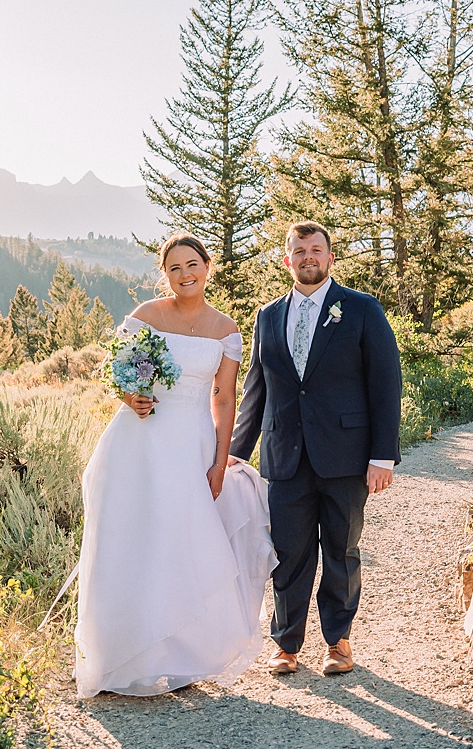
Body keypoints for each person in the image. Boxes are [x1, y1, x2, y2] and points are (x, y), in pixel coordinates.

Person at [73, 233, 276, 697]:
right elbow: (116, 373)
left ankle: (183, 655)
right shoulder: (146, 316)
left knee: (182, 541)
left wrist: (220, 462)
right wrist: (131, 397)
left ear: (207, 267)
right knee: (132, 539)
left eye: (192, 265)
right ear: (164, 274)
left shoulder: (226, 329)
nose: (185, 275)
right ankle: (121, 658)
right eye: (174, 268)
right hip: (137, 443)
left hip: (192, 446)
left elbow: (224, 398)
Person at [228, 221, 403, 676]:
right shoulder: (268, 316)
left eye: (316, 249)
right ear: (287, 260)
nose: (308, 257)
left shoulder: (361, 309)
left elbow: (385, 383)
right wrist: (237, 451)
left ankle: (338, 641)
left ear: (330, 257)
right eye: (300, 250)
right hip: (285, 456)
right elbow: (256, 389)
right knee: (288, 554)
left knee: (342, 551)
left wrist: (382, 455)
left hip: (346, 455)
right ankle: (286, 644)